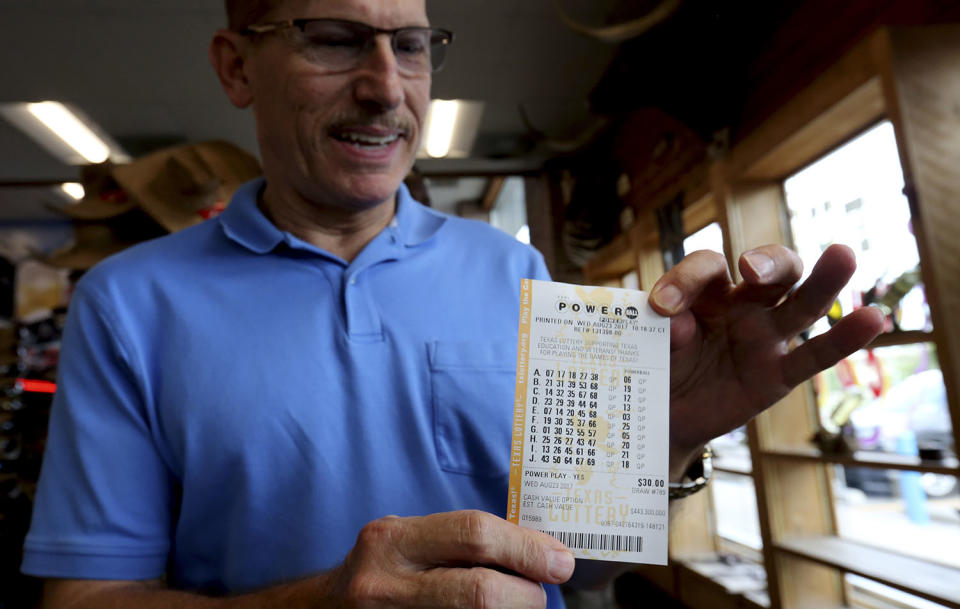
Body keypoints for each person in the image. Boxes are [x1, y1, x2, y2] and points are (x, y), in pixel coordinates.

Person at [22, 0, 885, 607]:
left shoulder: (518, 268)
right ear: (236, 65)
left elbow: (575, 571)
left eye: (413, 44)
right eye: (333, 39)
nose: (385, 85)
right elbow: (89, 595)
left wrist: (665, 442)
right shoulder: (126, 301)